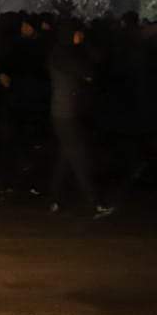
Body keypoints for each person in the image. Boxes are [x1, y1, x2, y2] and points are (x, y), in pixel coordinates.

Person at [47, 20, 114, 218]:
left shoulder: (58, 53)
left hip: (61, 112)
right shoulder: (70, 55)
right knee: (80, 158)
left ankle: (55, 199)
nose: (81, 36)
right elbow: (90, 73)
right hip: (69, 113)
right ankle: (94, 203)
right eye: (79, 33)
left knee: (66, 157)